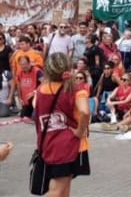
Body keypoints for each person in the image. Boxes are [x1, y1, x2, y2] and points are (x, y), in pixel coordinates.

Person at [33, 52, 90, 197]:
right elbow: (84, 111)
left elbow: (35, 106)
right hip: (69, 145)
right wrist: (79, 131)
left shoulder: (40, 90)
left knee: (64, 186)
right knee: (58, 189)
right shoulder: (75, 90)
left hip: (47, 142)